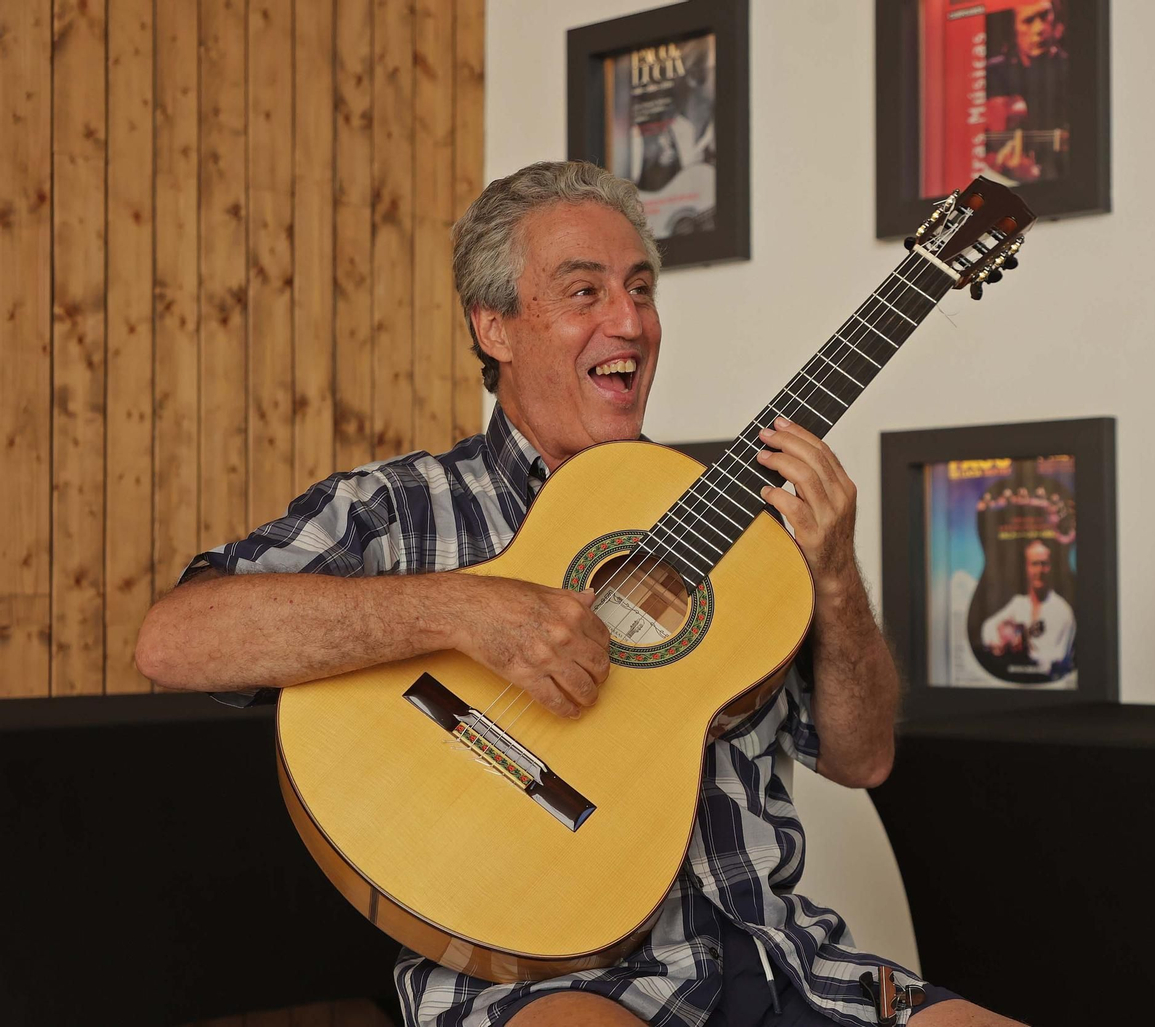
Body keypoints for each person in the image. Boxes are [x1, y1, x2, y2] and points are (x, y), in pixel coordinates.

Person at [134, 161, 1026, 1027]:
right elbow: (175, 640)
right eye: (585, 290)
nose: (630, 321)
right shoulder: (403, 506)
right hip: (535, 982)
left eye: (641, 289)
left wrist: (835, 578)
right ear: (496, 328)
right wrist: (459, 609)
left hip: (782, 960)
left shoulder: (742, 542)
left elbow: (862, 757)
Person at [983, 0, 1070, 183]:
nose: (1039, 28)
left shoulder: (1071, 69)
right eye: (1028, 20)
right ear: (1012, 29)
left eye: (1045, 16)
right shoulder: (991, 73)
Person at [979, 538, 1075, 678]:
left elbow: (1051, 663)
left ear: (1052, 567)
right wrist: (1003, 641)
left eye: (1044, 564)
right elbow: (986, 629)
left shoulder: (1062, 612)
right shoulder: (1019, 604)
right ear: (1026, 568)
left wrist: (1024, 647)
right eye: (1034, 564)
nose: (1039, 570)